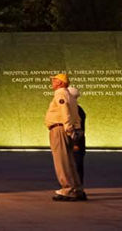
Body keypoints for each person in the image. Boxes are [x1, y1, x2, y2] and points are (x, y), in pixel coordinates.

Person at [46, 73, 86, 201]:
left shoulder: (60, 93)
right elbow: (76, 115)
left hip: (59, 129)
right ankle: (77, 188)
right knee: (69, 161)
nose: (53, 82)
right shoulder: (71, 96)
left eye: (55, 80)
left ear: (61, 83)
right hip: (66, 129)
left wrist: (68, 128)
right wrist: (76, 128)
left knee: (62, 161)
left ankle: (67, 189)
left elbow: (65, 113)